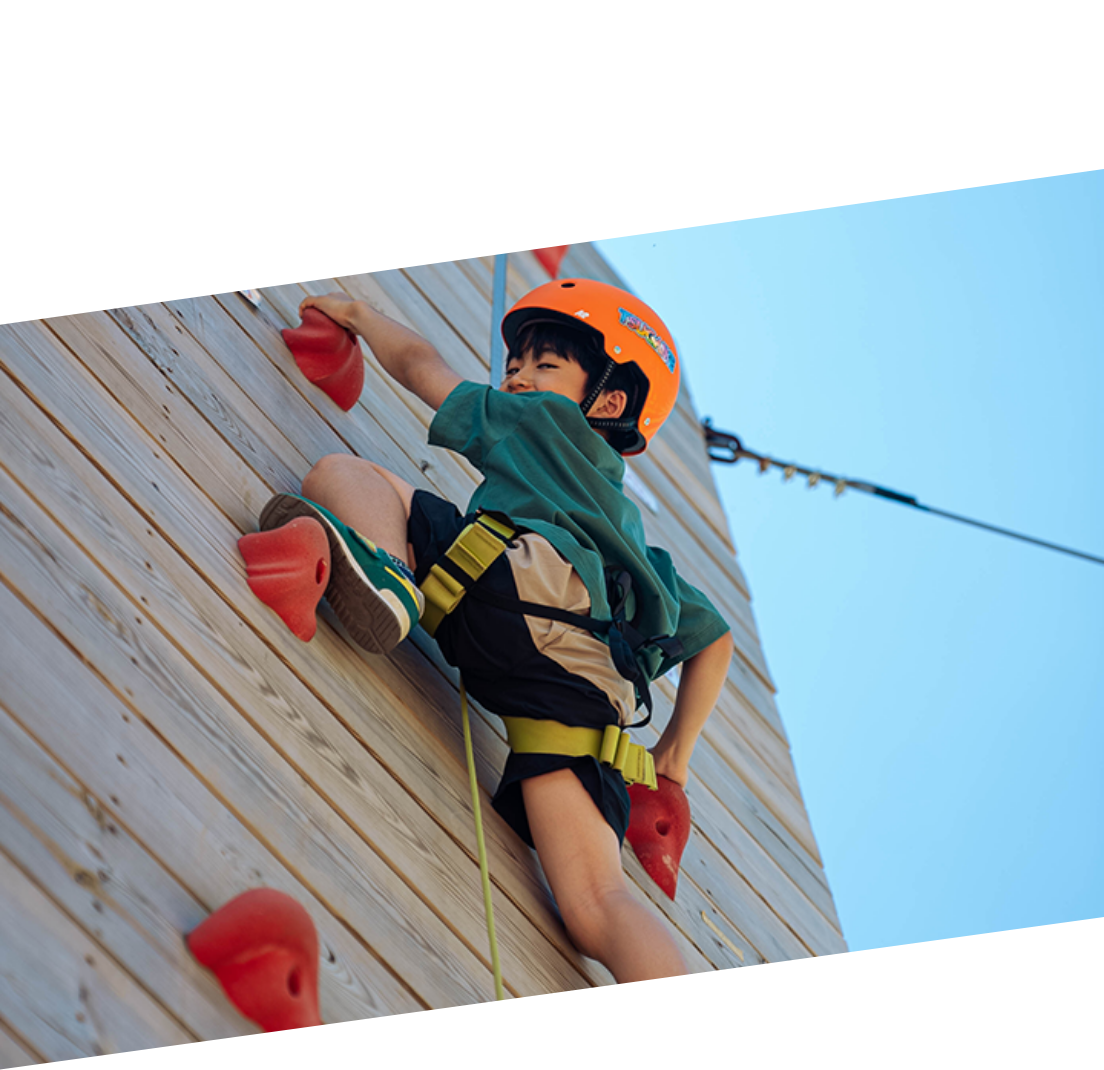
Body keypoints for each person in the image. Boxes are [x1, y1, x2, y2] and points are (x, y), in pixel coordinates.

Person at [254, 278, 734, 983]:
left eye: (545, 364)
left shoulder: (540, 420)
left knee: (342, 473)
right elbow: (715, 640)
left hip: (504, 592)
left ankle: (392, 576)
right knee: (597, 906)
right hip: (575, 704)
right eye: (515, 364)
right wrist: (673, 758)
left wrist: (359, 314)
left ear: (606, 403)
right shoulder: (642, 554)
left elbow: (421, 367)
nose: (518, 376)